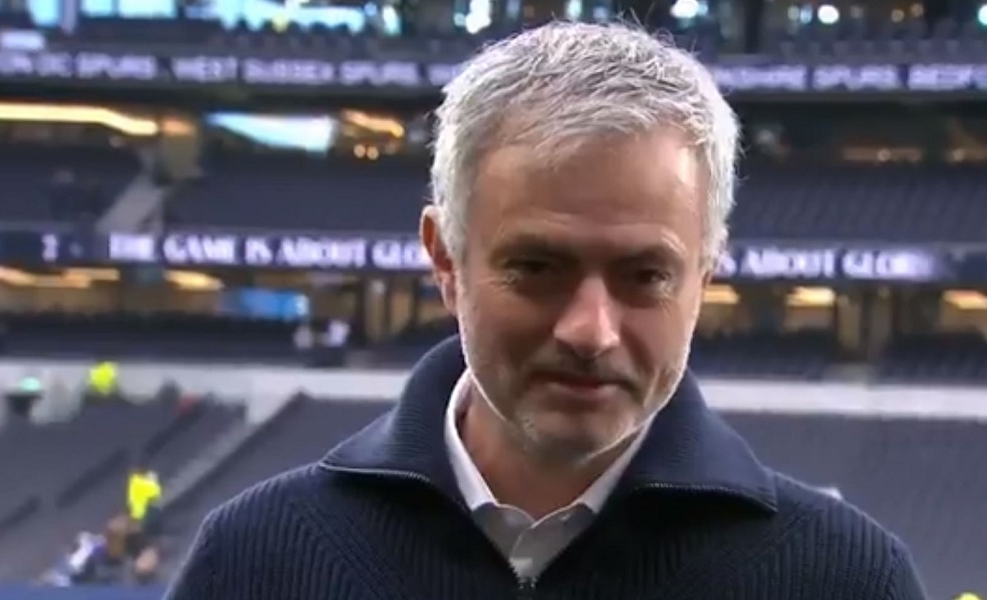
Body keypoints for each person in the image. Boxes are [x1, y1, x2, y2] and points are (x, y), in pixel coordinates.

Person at [165, 21, 927, 600]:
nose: (590, 332)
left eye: (645, 275)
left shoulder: (847, 581)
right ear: (445, 258)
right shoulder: (255, 562)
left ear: (705, 274)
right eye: (536, 269)